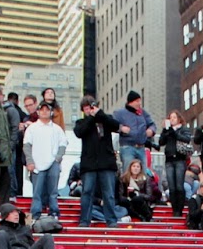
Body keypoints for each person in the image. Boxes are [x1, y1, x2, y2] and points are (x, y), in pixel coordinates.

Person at [74, 96, 129, 226]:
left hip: (106, 162)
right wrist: (92, 118)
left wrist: (100, 115)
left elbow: (116, 125)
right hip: (89, 163)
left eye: (91, 108)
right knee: (87, 192)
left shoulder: (105, 120)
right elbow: (79, 132)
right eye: (86, 109)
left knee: (108, 193)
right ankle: (84, 220)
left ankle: (111, 220)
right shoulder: (81, 122)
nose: (89, 111)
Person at [24, 101, 67, 221]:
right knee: (37, 191)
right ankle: (35, 214)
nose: (44, 112)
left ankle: (54, 212)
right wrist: (30, 161)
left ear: (51, 112)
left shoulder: (57, 129)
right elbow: (26, 145)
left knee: (53, 191)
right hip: (37, 163)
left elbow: (63, 144)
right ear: (37, 112)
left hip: (53, 162)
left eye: (47, 110)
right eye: (42, 110)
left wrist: (57, 159)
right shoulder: (32, 128)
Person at [158, 110, 193, 217]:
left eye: (174, 117)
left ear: (178, 119)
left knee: (179, 185)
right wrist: (165, 131)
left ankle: (180, 209)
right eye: (170, 117)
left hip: (180, 159)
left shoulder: (183, 129)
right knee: (171, 186)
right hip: (169, 160)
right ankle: (174, 210)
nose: (172, 119)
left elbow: (186, 139)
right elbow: (161, 142)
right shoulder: (167, 130)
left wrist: (174, 132)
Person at [114, 91, 157, 171]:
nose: (139, 103)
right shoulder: (119, 113)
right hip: (127, 147)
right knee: (128, 171)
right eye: (137, 101)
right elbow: (112, 124)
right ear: (131, 102)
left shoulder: (143, 113)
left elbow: (152, 124)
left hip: (141, 147)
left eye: (140, 101)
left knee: (143, 172)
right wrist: (121, 128)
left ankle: (142, 183)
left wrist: (151, 130)